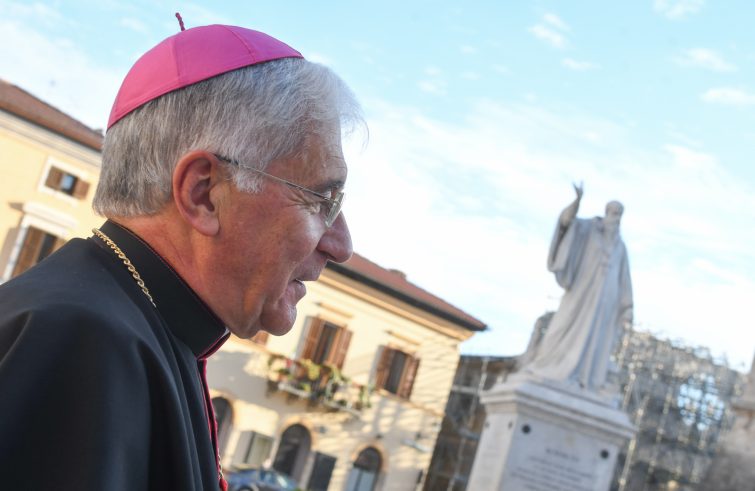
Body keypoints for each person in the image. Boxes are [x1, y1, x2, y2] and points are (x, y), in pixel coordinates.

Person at [0, 22, 362, 491]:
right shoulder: (79, 340)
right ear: (204, 193)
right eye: (320, 200)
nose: (341, 245)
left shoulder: (141, 329)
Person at [518, 184, 633, 392]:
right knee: (562, 327)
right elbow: (565, 223)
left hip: (606, 301)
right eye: (613, 212)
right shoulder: (589, 229)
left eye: (619, 214)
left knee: (597, 340)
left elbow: (624, 278)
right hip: (581, 290)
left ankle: (586, 380)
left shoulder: (620, 246)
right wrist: (576, 203)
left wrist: (627, 307)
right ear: (606, 212)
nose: (615, 217)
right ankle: (549, 366)